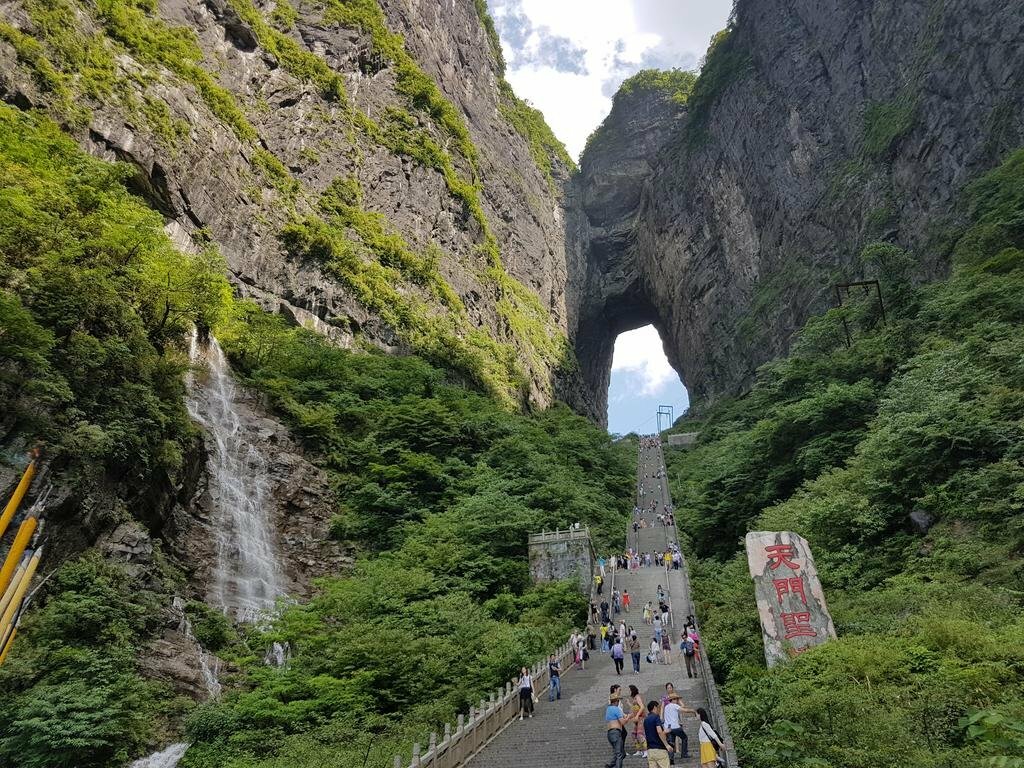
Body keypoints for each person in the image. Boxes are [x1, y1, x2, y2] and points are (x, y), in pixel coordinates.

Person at [664, 692, 695, 763]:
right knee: (684, 738)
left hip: (668, 728)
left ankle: (671, 758)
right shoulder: (674, 705)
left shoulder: (666, 707)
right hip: (675, 727)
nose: (677, 701)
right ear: (673, 699)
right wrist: (693, 711)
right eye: (677, 699)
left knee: (671, 742)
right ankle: (684, 754)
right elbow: (685, 710)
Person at [643, 700, 674, 768]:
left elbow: (651, 732)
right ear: (654, 707)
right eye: (658, 707)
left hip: (650, 750)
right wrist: (667, 745)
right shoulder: (656, 717)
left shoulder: (646, 720)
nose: (659, 709)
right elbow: (659, 732)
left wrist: (664, 731)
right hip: (659, 749)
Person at [605, 692, 628, 768]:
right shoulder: (616, 709)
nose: (618, 702)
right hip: (616, 732)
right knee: (619, 754)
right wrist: (629, 717)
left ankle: (610, 766)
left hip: (610, 734)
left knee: (620, 753)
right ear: (615, 701)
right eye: (618, 701)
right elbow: (623, 722)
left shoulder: (608, 709)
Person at [628, 685, 645, 756]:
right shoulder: (634, 698)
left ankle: (645, 750)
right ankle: (639, 750)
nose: (628, 691)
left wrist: (637, 715)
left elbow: (642, 707)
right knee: (633, 735)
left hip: (640, 719)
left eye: (629, 690)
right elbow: (634, 708)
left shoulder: (637, 697)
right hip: (636, 720)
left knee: (640, 734)